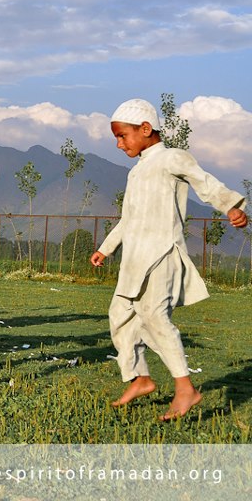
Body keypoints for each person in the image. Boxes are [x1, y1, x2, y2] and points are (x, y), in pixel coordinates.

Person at [90, 98, 247, 420]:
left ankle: (185, 388)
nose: (119, 144)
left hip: (161, 253)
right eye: (116, 138)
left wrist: (231, 205)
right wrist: (106, 248)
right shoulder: (137, 172)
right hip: (134, 258)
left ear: (146, 129)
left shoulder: (171, 157)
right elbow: (128, 218)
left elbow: (202, 180)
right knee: (120, 315)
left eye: (123, 136)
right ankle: (141, 378)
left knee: (154, 316)